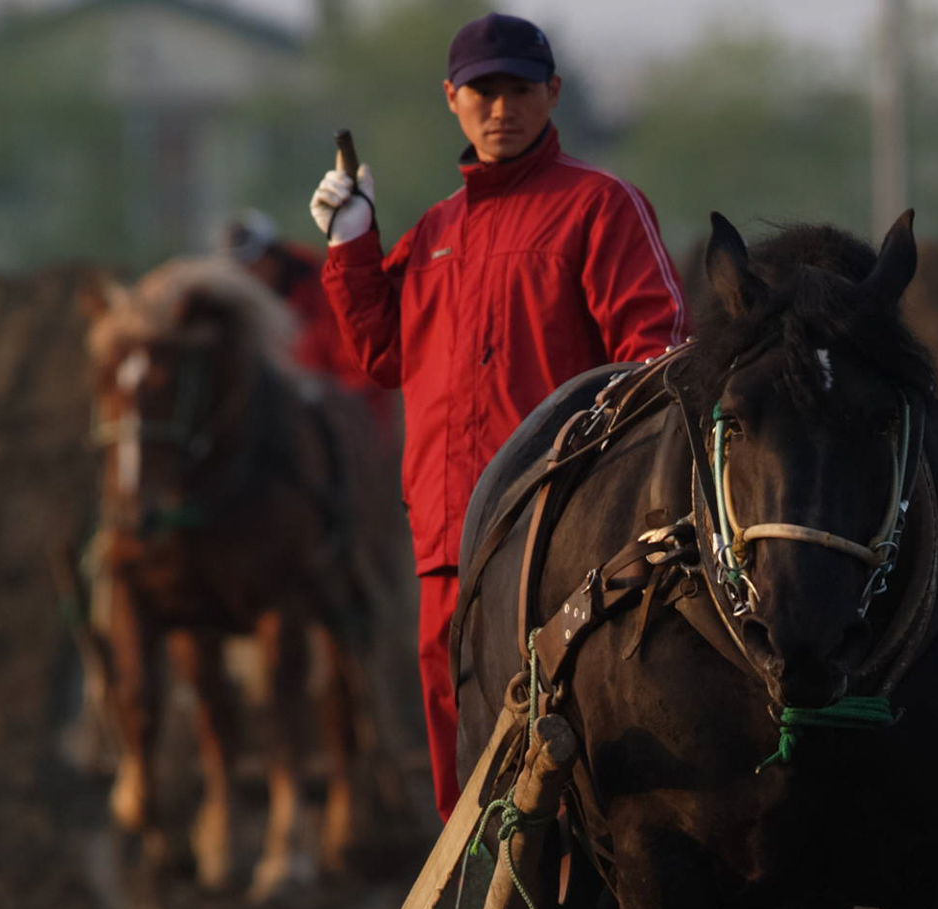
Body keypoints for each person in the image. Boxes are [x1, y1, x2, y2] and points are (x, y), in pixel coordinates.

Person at [309, 11, 687, 820]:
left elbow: (653, 353)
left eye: (519, 89)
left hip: (560, 531)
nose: (501, 107)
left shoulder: (600, 206)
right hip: (449, 538)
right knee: (463, 740)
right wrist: (352, 247)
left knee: (573, 727)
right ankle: (483, 903)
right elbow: (383, 356)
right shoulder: (438, 231)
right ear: (452, 99)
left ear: (551, 94)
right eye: (483, 91)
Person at [216, 209, 394, 438]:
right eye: (241, 271)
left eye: (255, 265)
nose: (250, 278)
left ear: (274, 256)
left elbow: (359, 367)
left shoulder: (326, 289)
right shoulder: (240, 308)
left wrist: (318, 390)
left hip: (345, 418)